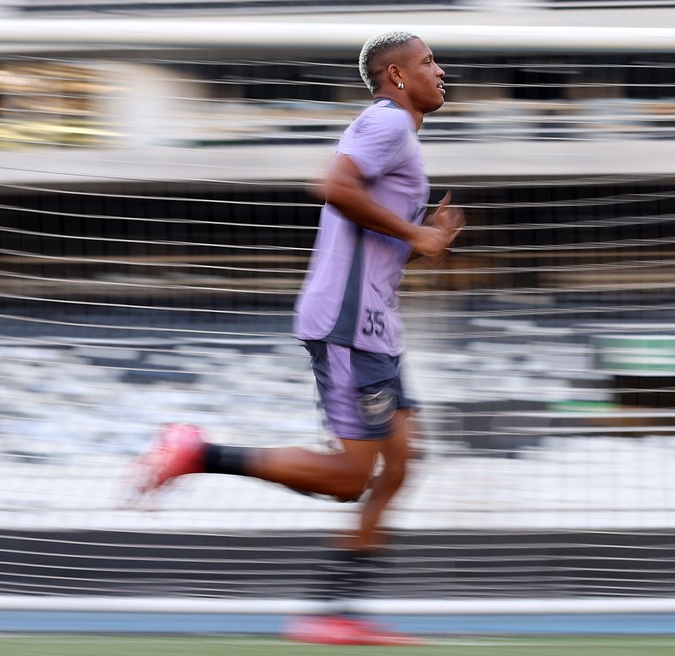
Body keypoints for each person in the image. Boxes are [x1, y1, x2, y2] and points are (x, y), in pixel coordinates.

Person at [131, 30, 464, 645]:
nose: (441, 71)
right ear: (396, 76)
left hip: (375, 324)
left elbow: (377, 243)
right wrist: (418, 235)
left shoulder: (402, 141)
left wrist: (427, 242)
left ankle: (339, 609)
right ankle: (196, 453)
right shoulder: (386, 122)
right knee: (349, 479)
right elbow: (332, 188)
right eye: (428, 62)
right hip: (346, 322)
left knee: (402, 462)